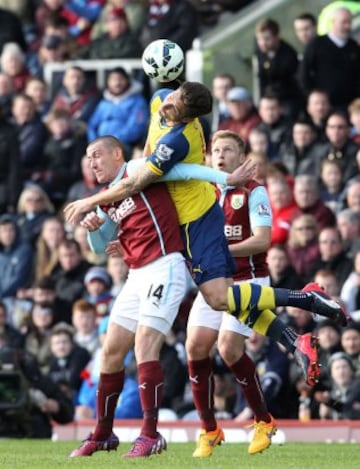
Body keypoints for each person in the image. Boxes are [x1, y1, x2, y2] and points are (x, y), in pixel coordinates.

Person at [64, 82, 347, 384]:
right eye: (171, 97)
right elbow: (150, 160)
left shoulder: (175, 141)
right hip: (185, 227)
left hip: (198, 221)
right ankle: (294, 337)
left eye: (175, 102)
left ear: (186, 117)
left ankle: (304, 300)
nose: (167, 101)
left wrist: (88, 200)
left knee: (220, 303)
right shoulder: (162, 117)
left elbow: (163, 177)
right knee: (227, 305)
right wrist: (121, 238)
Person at [70, 136, 189, 458]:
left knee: (145, 344)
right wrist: (95, 227)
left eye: (97, 155)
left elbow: (180, 172)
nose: (92, 162)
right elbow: (100, 249)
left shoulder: (137, 169)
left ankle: (150, 434)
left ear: (117, 153)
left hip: (165, 265)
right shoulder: (107, 198)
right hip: (136, 275)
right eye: (88, 158)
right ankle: (103, 433)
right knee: (110, 351)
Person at [185, 130, 276, 457]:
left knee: (228, 348)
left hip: (249, 279)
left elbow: (263, 240)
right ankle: (209, 430)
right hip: (213, 281)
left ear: (241, 157)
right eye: (216, 151)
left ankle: (264, 421)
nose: (220, 155)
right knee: (195, 347)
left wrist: (221, 249)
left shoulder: (254, 191)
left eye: (228, 150)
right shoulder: (204, 192)